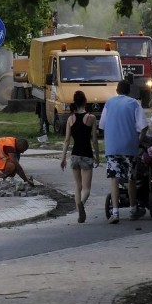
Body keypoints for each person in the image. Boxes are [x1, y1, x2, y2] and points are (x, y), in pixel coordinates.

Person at [98, 79, 148, 224]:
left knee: (114, 178)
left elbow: (102, 125)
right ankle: (133, 209)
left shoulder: (109, 103)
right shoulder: (134, 104)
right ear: (129, 91)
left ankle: (115, 212)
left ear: (117, 90)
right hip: (129, 147)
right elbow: (143, 127)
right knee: (131, 178)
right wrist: (139, 141)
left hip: (112, 147)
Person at [60, 90, 100, 223]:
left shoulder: (70, 119)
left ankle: (79, 212)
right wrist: (97, 156)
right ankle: (81, 204)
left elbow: (66, 140)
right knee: (87, 188)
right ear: (85, 101)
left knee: (78, 186)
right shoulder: (91, 118)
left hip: (75, 156)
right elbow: (94, 139)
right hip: (87, 155)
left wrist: (63, 158)